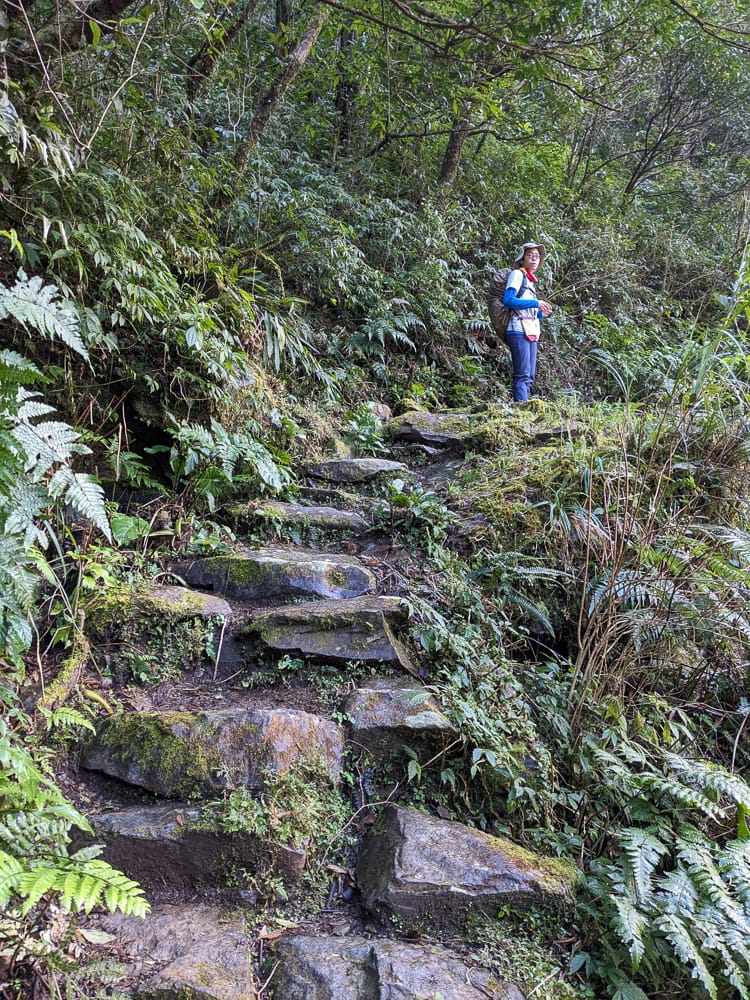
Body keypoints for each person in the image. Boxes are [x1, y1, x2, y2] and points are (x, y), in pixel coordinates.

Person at [503, 242, 553, 402]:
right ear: (522, 259)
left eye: (537, 256)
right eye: (530, 255)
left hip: (530, 331)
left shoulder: (530, 281)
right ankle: (521, 410)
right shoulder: (517, 275)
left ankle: (524, 409)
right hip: (517, 329)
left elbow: (529, 312)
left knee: (529, 376)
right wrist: (536, 303)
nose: (534, 259)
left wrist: (540, 313)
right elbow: (508, 300)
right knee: (523, 375)